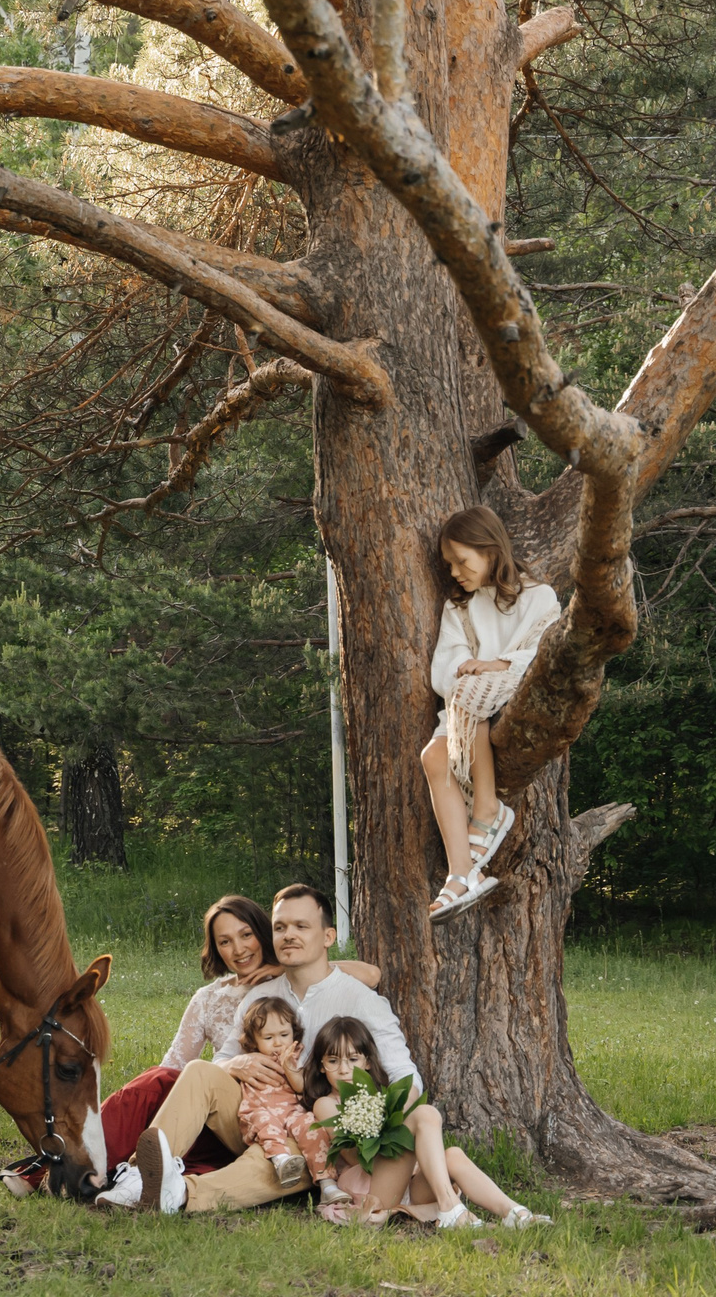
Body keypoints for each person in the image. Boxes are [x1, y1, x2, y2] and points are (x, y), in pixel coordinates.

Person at [128, 884, 413, 1214]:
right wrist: (236, 1064)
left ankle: (178, 1194)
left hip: (313, 1130)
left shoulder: (361, 1000)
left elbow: (404, 1076)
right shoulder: (260, 996)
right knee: (199, 1071)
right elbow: (221, 1061)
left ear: (328, 937)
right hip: (254, 1112)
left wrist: (375, 1136)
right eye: (280, 927)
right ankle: (137, 1176)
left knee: (280, 1160)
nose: (288, 935)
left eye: (301, 926)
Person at [423, 506, 561, 918]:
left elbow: (545, 651)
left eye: (461, 561)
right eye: (449, 564)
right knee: (432, 756)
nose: (454, 572)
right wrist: (473, 670)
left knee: (471, 692)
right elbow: (446, 669)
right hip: (469, 707)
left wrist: (497, 665)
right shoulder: (459, 608)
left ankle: (486, 808)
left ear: (490, 550)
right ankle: (462, 874)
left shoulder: (539, 596)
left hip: (519, 698)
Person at [304, 1014, 549, 1230]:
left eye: (353, 1059)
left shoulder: (377, 1097)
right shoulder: (326, 1104)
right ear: (321, 1066)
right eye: (333, 1061)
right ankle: (450, 1207)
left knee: (452, 1153)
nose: (344, 1069)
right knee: (424, 1114)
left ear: (367, 1062)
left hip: (409, 1185)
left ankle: (514, 1213)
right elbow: (355, 1158)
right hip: (372, 1188)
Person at [229, 996, 328, 1191]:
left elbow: (301, 1087)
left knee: (311, 1125)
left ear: (294, 1033)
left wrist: (289, 1066)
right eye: (268, 1038)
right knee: (265, 1121)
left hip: (292, 1113)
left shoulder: (297, 1056)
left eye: (284, 1035)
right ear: (253, 1041)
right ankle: (281, 1160)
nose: (278, 1043)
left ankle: (327, 1183)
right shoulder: (252, 1061)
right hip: (260, 1112)